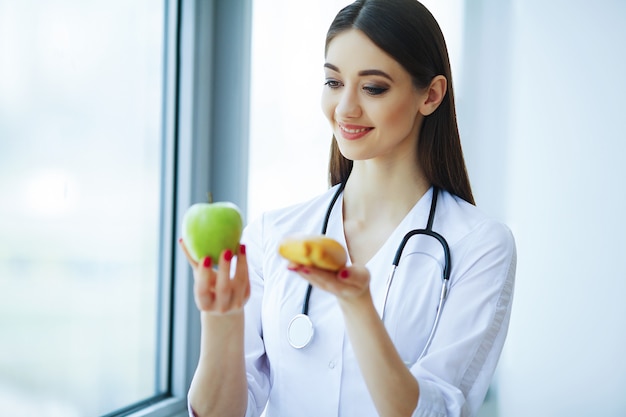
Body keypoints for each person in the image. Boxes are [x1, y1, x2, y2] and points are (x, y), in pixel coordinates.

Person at [180, 0, 517, 416]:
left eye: (373, 87)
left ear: (430, 95)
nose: (345, 109)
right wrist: (222, 320)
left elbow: (438, 410)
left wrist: (358, 304)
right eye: (333, 82)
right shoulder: (274, 234)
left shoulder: (478, 245)